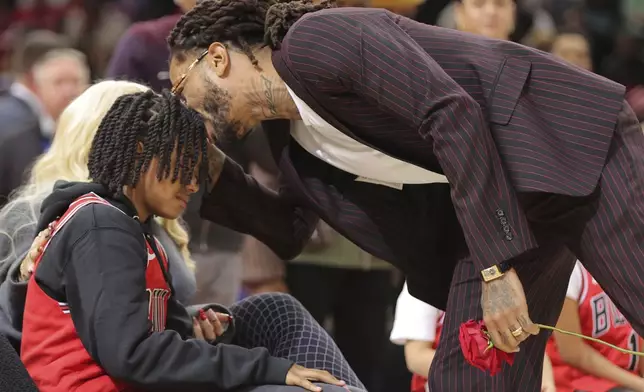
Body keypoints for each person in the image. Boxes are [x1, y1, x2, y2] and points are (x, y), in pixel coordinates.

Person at [129, 0, 644, 390]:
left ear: (217, 59)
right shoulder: (290, 137)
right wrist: (214, 168)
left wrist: (494, 268)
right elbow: (289, 229)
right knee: (467, 377)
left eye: (181, 90)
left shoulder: (317, 38)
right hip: (508, 203)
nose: (186, 109)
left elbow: (451, 112)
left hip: (572, 144)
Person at [19, 89, 360, 392]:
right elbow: (132, 356)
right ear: (140, 152)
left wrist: (185, 323)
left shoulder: (133, 228)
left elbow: (133, 334)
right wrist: (265, 367)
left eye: (197, 172)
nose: (194, 185)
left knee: (274, 309)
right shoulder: (99, 224)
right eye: (185, 166)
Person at [0, 81, 198, 352]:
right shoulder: (46, 213)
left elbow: (139, 312)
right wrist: (26, 271)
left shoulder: (142, 211)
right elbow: (24, 316)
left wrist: (193, 319)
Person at [107, 0, 245, 307]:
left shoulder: (247, 44)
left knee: (215, 328)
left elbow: (264, 154)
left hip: (224, 230)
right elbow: (113, 122)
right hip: (152, 223)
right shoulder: (146, 40)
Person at [390, 282, 556, 392]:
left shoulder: (505, 279)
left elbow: (529, 342)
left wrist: (544, 379)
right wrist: (489, 379)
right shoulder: (423, 283)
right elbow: (416, 357)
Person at [0, 30, 89, 203]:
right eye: (59, 82)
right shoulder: (19, 133)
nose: (69, 91)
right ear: (37, 86)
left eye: (76, 81)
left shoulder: (89, 134)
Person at [546, 261, 644, 392]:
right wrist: (638, 384)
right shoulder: (570, 271)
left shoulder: (630, 263)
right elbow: (572, 353)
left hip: (628, 380)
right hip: (582, 382)